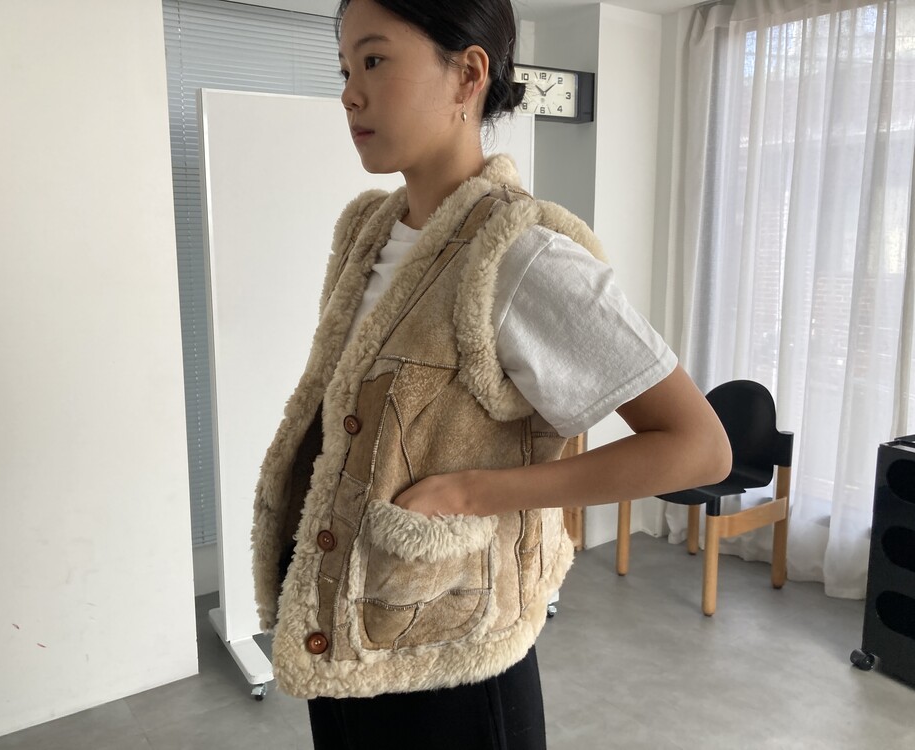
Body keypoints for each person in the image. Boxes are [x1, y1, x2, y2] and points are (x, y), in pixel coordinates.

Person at [250, 1, 732, 748]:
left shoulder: (521, 255)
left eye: (374, 60)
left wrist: (471, 493)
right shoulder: (367, 234)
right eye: (344, 68)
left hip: (455, 669)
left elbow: (699, 447)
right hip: (347, 640)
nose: (349, 93)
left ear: (467, 75)